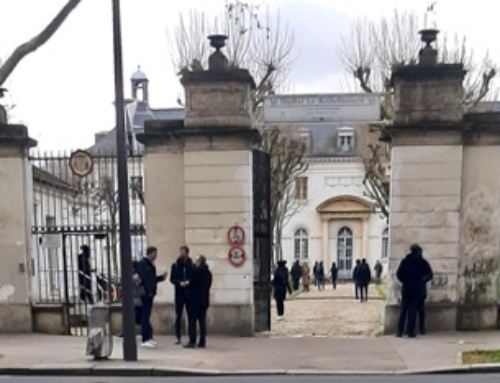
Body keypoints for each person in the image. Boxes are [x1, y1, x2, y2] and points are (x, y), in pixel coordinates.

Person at [396, 244, 433, 338]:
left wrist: (405, 281)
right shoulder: (422, 262)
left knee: (404, 310)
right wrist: (421, 280)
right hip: (416, 290)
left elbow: (399, 274)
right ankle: (409, 331)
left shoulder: (405, 261)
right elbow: (429, 274)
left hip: (407, 289)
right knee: (411, 311)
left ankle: (400, 331)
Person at [136, 246, 168, 348]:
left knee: (147, 315)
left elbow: (152, 279)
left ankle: (148, 337)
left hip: (150, 292)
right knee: (145, 315)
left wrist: (161, 278)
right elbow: (146, 279)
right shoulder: (144, 264)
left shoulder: (149, 264)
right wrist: (149, 289)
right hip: (146, 293)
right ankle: (145, 338)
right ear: (150, 253)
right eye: (155, 253)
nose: (156, 256)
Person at [185, 255, 213, 348]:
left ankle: (192, 341)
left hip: (194, 300)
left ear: (200, 262)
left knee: (192, 321)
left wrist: (188, 284)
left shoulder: (196, 272)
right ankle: (202, 341)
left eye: (197, 261)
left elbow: (192, 284)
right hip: (204, 300)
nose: (195, 263)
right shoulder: (208, 273)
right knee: (202, 321)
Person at [170, 245, 194, 345]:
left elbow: (194, 278)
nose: (182, 254)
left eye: (184, 252)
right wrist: (179, 282)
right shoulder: (175, 265)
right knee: (178, 316)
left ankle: (191, 336)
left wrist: (189, 282)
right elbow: (172, 279)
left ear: (187, 253)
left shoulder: (191, 265)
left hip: (189, 293)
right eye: (181, 252)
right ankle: (178, 336)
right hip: (179, 293)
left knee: (190, 316)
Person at [415, 249, 433, 335]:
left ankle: (420, 328)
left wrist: (423, 280)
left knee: (420, 311)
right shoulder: (409, 262)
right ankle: (412, 328)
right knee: (413, 310)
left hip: (419, 290)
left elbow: (430, 274)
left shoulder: (423, 263)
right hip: (416, 290)